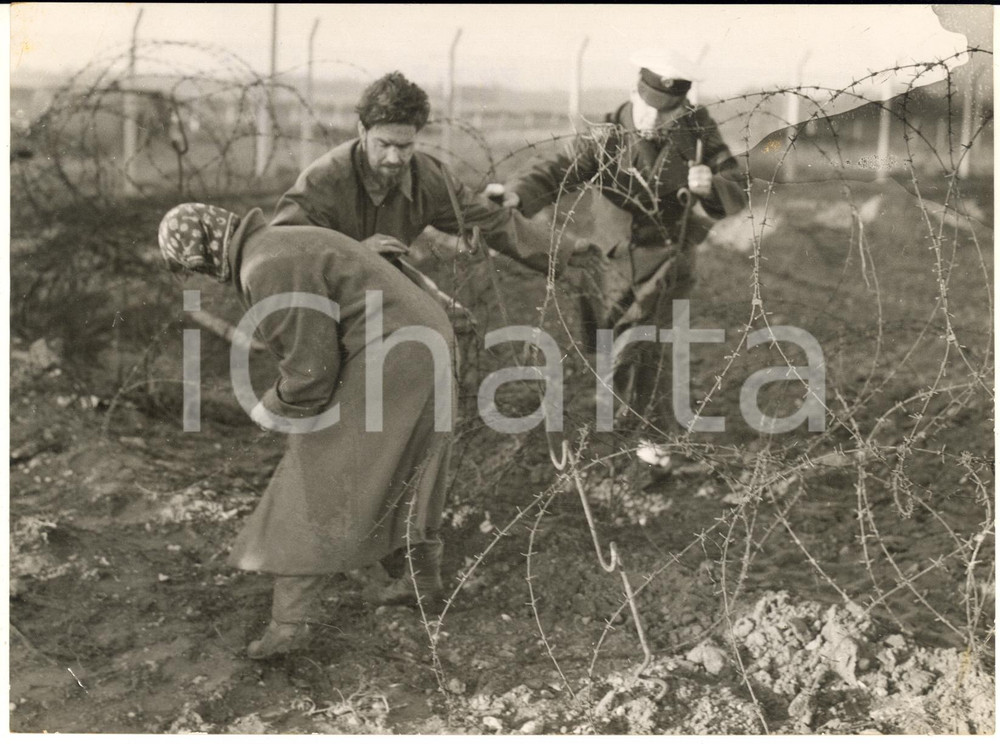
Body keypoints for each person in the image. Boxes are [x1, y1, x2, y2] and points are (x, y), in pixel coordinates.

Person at [157, 202, 457, 659]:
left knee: (314, 479)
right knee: (406, 466)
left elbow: (312, 371)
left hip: (394, 352)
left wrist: (272, 407)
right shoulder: (276, 241)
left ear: (207, 252)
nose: (206, 278)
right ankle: (422, 583)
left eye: (197, 268)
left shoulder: (262, 266)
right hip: (423, 340)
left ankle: (289, 628)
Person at [492, 52, 748, 468]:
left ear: (682, 107)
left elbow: (736, 183)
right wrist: (517, 194)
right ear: (633, 93)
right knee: (615, 346)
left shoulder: (697, 132)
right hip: (611, 260)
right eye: (649, 109)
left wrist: (712, 186)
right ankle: (628, 427)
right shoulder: (608, 135)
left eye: (668, 113)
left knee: (647, 344)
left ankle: (649, 439)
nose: (655, 120)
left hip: (668, 260)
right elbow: (556, 167)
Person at [272, 70, 577, 298]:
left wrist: (566, 251)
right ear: (362, 131)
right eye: (384, 144)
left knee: (452, 326)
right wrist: (355, 253)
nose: (394, 158)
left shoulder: (428, 178)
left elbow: (492, 222)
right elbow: (280, 252)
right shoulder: (323, 180)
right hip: (320, 294)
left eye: (405, 146)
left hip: (382, 284)